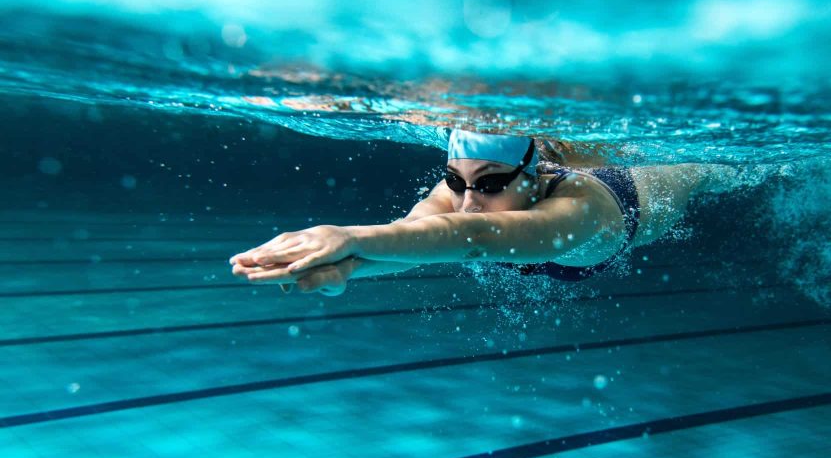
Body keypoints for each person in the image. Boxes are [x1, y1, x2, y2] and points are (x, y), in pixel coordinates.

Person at [230, 129, 711, 295]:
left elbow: (475, 238)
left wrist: (347, 236)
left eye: (491, 183)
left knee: (710, 169)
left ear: (535, 175)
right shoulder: (463, 196)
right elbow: (414, 237)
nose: (467, 202)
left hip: (642, 192)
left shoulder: (580, 209)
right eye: (456, 181)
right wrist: (346, 270)